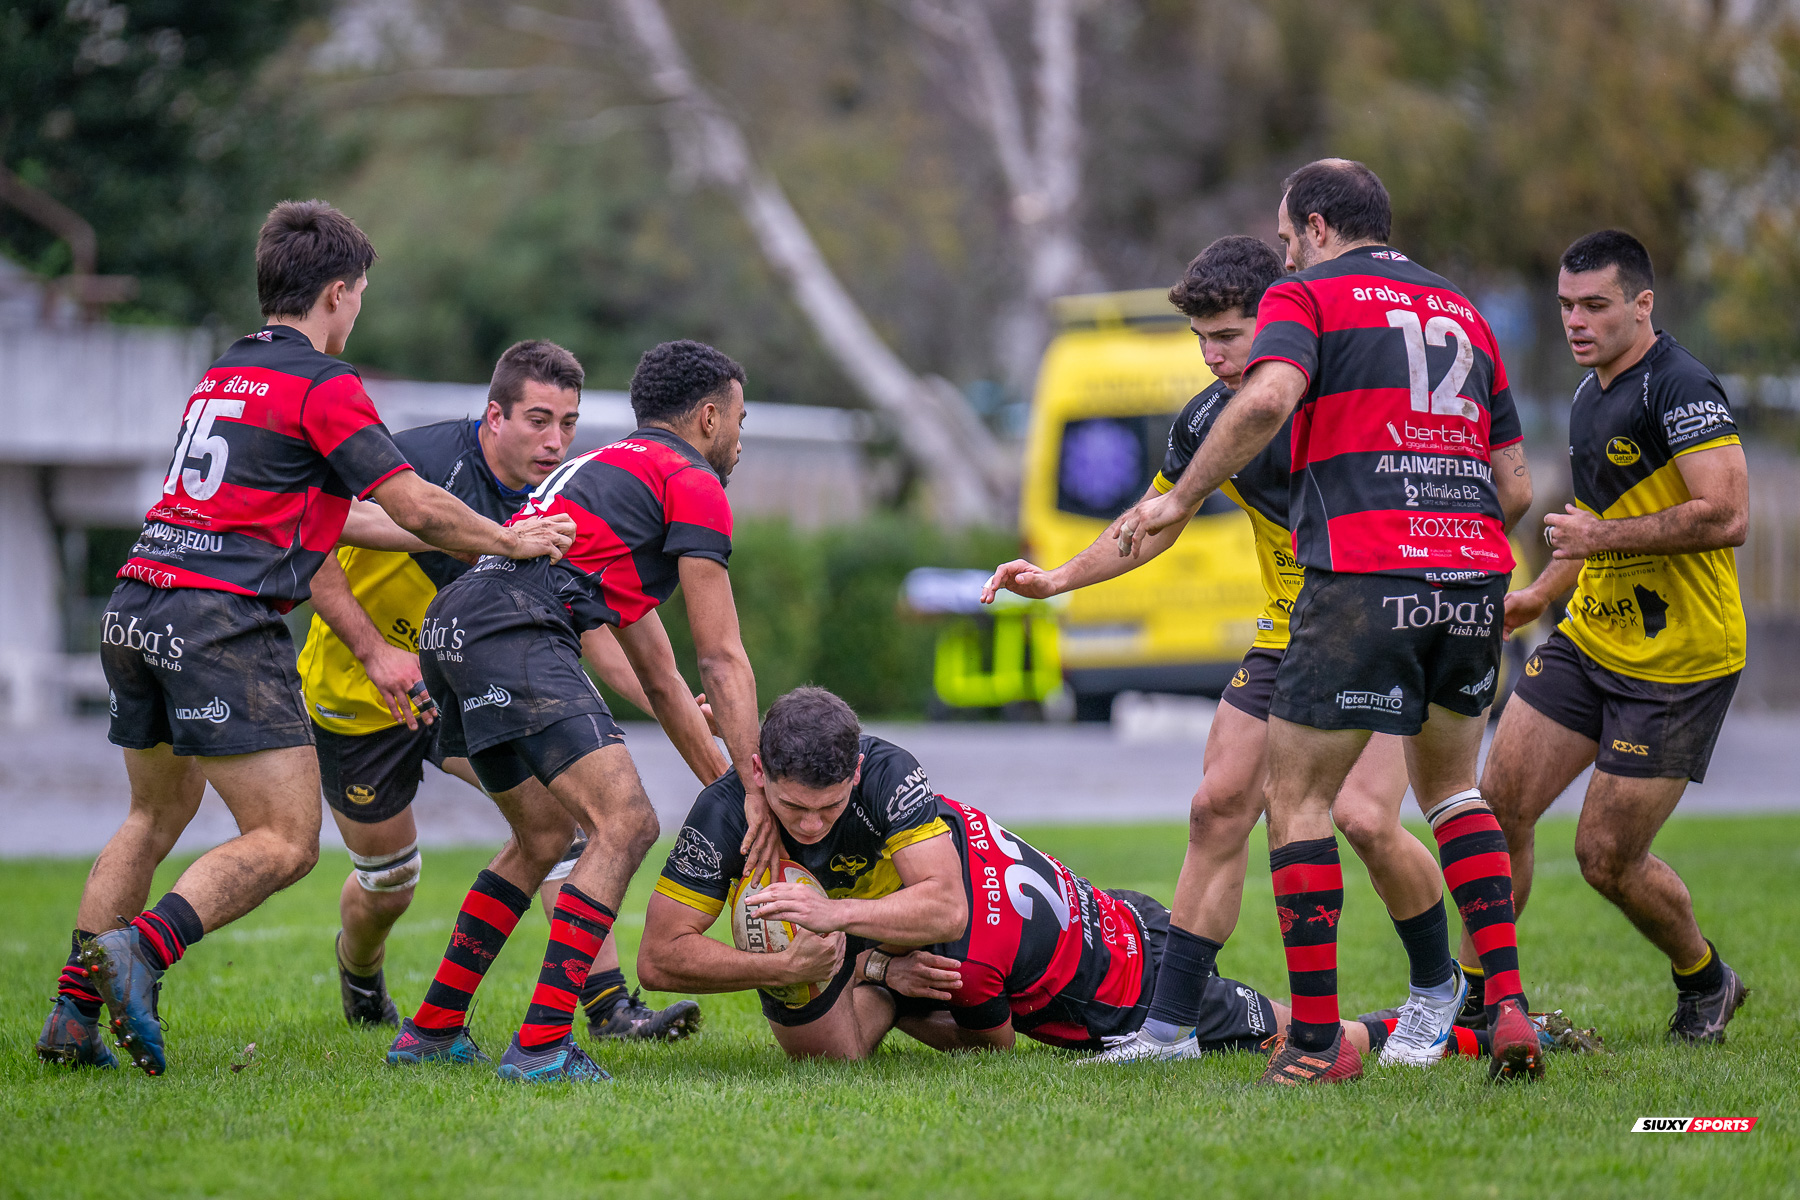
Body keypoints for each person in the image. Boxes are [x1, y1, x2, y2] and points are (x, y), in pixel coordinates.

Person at [36, 200, 574, 1075]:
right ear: (337, 292)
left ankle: (71, 1015)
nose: (356, 310)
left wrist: (465, 532)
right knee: (286, 841)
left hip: (138, 603)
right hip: (216, 621)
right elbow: (412, 501)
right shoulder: (324, 384)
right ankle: (141, 951)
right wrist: (510, 539)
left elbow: (342, 517)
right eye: (358, 295)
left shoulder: (226, 373)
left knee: (153, 815)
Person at [983, 235, 1460, 1070]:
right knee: (1216, 808)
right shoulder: (1210, 421)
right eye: (1200, 338)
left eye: (1229, 337)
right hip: (1287, 634)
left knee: (1363, 817)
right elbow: (1153, 521)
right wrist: (1056, 579)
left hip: (1382, 623)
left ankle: (1436, 989)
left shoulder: (1347, 399)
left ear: (1278, 323)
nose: (1211, 356)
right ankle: (1167, 1034)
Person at [1115, 160, 1541, 1084]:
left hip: (1363, 574)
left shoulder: (1308, 296)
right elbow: (1515, 486)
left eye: (1284, 237)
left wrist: (1181, 498)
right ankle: (1503, 1003)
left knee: (1303, 803)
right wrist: (1448, 537)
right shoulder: (1465, 311)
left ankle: (1314, 1042)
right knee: (1453, 792)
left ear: (1314, 227)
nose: (1283, 255)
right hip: (1470, 575)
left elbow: (1268, 400)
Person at [386, 339, 771, 1083]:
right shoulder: (691, 481)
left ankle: (431, 1030)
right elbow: (721, 659)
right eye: (739, 421)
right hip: (513, 629)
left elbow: (664, 681)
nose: (739, 439)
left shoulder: (611, 473)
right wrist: (760, 789)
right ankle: (540, 1046)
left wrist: (733, 792)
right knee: (627, 822)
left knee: (543, 837)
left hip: (452, 626)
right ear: (708, 417)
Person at [296, 338, 703, 1041]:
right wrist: (375, 651)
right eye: (538, 420)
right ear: (494, 416)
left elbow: (596, 625)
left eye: (568, 423)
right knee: (388, 884)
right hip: (359, 692)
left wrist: (667, 702)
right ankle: (360, 972)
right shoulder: (420, 462)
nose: (555, 441)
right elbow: (311, 535)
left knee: (564, 816)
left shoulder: (560, 496)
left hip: (460, 683)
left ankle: (607, 1006)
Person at [1469, 230, 1750, 1043]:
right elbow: (1592, 524)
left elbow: (1728, 514)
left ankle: (1706, 980)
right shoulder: (1589, 396)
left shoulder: (1680, 385)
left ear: (1642, 304)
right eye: (1566, 305)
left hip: (1680, 662)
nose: (1575, 321)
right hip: (1591, 638)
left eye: (1595, 305)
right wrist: (1539, 596)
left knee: (1606, 858)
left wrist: (1600, 541)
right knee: (1497, 808)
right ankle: (1485, 998)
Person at [636, 687, 968, 1061]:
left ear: (856, 770)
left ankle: (871, 968)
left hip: (901, 917)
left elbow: (950, 911)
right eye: (792, 806)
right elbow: (657, 959)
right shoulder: (722, 811)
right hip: (811, 947)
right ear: (759, 771)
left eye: (831, 806)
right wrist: (781, 968)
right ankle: (885, 987)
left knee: (987, 1037)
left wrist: (834, 913)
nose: (811, 825)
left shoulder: (888, 772)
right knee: (832, 1058)